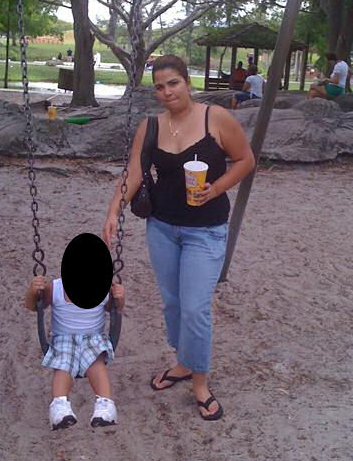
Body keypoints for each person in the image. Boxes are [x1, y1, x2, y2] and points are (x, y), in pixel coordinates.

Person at [102, 55, 255, 421]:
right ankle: (184, 362)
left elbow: (246, 161)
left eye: (173, 83)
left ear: (187, 82)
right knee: (172, 303)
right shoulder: (151, 126)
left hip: (206, 229)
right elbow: (135, 171)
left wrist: (215, 188)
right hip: (162, 227)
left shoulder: (215, 118)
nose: (167, 92)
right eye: (159, 87)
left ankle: (200, 382)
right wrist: (113, 211)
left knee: (195, 307)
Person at [24, 269, 125, 430]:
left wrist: (119, 298)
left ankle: (105, 406)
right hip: (64, 338)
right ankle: (60, 407)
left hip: (93, 338)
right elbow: (33, 306)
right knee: (63, 365)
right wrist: (33, 291)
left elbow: (115, 308)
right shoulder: (55, 288)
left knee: (96, 363)